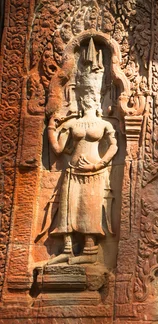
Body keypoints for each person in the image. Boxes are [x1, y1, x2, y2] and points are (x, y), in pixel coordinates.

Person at [40, 38, 118, 265]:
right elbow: (58, 150)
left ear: (98, 99)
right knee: (68, 211)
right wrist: (52, 129)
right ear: (80, 98)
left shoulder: (104, 125)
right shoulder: (72, 124)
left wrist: (98, 164)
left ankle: (89, 250)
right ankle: (66, 248)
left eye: (92, 97)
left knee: (89, 210)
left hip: (93, 173)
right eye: (84, 97)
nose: (88, 100)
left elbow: (113, 146)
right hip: (73, 172)